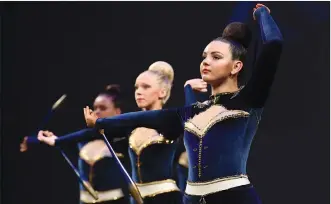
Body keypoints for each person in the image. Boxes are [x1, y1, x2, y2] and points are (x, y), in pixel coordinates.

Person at [38, 4, 283, 204]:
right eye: (204, 57)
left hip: (234, 198)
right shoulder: (189, 112)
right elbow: (138, 118)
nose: (206, 61)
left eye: (216, 57)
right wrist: (100, 122)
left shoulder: (248, 98)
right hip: (190, 199)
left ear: (236, 67)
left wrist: (261, 12)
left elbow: (273, 44)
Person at [21, 85, 131, 204]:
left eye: (103, 108)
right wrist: (31, 140)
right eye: (95, 108)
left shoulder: (123, 138)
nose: (97, 111)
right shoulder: (83, 137)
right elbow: (60, 142)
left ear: (117, 111)